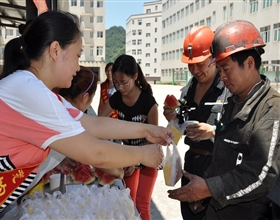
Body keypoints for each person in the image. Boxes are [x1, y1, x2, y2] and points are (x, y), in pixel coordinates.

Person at [0, 11, 173, 220]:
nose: (78, 66)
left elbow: (94, 124)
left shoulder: (34, 89)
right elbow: (95, 152)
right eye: (77, 56)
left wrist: (148, 129)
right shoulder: (28, 91)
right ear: (55, 50)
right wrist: (145, 154)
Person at [167, 20, 280, 219]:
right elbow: (220, 157)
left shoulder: (272, 109)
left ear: (250, 63)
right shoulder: (235, 103)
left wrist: (208, 188)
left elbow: (262, 175)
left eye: (226, 69)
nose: (222, 77)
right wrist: (202, 193)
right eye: (219, 70)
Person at [163, 25, 231, 220]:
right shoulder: (186, 92)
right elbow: (179, 129)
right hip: (191, 165)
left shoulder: (228, 88)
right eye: (190, 64)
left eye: (199, 63)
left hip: (219, 167)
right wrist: (173, 120)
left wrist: (214, 131)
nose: (194, 69)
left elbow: (242, 130)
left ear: (213, 57)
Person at [99, 54, 158, 220]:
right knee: (127, 203)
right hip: (128, 157)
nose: (120, 87)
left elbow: (153, 140)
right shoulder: (117, 98)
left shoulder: (148, 102)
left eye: (124, 82)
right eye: (116, 83)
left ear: (135, 76)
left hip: (148, 158)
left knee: (142, 205)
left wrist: (137, 160)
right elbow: (99, 121)